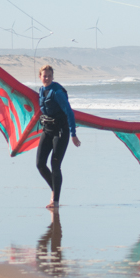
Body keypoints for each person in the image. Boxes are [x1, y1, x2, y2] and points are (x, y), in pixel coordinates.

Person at [36, 65, 80, 208]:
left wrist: (73, 134)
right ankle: (55, 188)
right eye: (44, 76)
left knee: (55, 165)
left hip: (61, 131)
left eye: (49, 76)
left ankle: (55, 201)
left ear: (53, 77)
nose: (47, 78)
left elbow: (70, 113)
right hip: (47, 130)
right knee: (40, 164)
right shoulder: (41, 90)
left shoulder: (57, 92)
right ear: (40, 77)